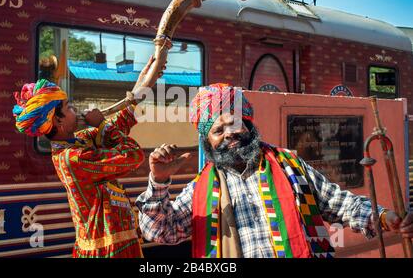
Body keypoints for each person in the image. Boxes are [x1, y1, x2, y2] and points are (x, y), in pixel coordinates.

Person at [136, 83, 413, 258]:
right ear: (208, 141)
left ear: (247, 124)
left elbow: (339, 203)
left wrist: (384, 216)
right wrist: (159, 181)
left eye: (234, 124)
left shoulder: (289, 164)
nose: (229, 134)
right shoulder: (201, 187)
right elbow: (161, 232)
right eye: (218, 130)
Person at [12, 56, 161, 258]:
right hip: (106, 251)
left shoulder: (79, 141)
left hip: (116, 245)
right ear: (58, 121)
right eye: (68, 107)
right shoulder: (72, 158)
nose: (75, 109)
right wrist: (103, 124)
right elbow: (133, 155)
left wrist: (143, 84)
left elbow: (121, 121)